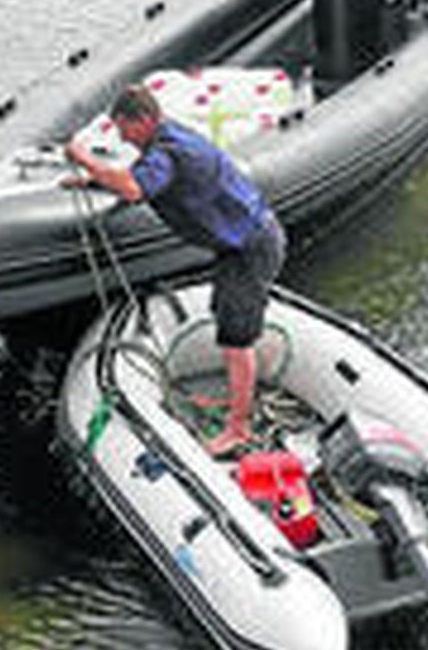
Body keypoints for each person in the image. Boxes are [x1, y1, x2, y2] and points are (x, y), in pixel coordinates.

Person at [64, 83, 286, 457]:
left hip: (250, 249)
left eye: (124, 129)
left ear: (145, 120)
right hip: (239, 245)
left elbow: (135, 188)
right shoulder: (168, 136)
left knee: (236, 339)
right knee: (228, 322)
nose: (121, 137)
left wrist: (85, 159)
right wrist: (93, 180)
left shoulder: (170, 151)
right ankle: (236, 402)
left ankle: (239, 428)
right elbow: (141, 176)